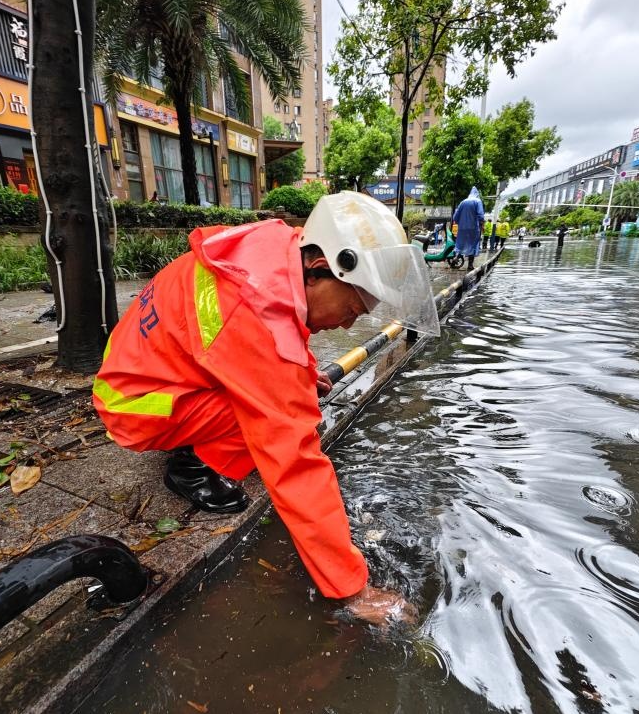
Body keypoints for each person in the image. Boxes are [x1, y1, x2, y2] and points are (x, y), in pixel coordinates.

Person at [94, 192, 438, 625]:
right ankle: (192, 466)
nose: (351, 323)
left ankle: (200, 443)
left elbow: (282, 326)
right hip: (135, 406)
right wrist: (354, 590)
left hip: (141, 369)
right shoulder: (252, 315)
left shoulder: (280, 249)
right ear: (318, 270)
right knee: (272, 420)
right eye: (353, 307)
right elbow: (296, 466)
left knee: (290, 395)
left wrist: (302, 374)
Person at [451, 186, 485, 270]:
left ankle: (456, 257)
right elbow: (480, 215)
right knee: (473, 245)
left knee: (461, 244)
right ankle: (470, 265)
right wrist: (482, 225)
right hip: (473, 227)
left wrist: (459, 223)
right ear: (477, 194)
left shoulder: (463, 202)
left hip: (462, 228)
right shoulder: (477, 201)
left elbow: (455, 216)